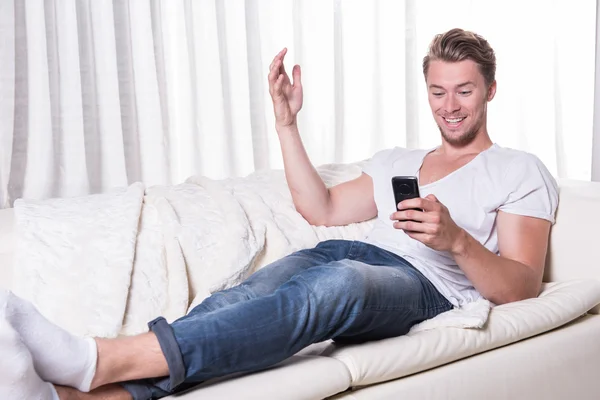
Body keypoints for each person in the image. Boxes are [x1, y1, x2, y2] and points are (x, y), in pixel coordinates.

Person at [2, 28, 558, 400]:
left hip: (427, 283)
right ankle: (85, 394)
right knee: (242, 295)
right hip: (348, 251)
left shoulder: (517, 169)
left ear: (489, 89)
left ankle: (97, 358)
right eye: (439, 92)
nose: (450, 106)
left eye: (464, 91)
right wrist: (287, 124)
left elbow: (523, 284)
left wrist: (457, 241)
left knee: (338, 284)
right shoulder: (400, 160)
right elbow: (321, 208)